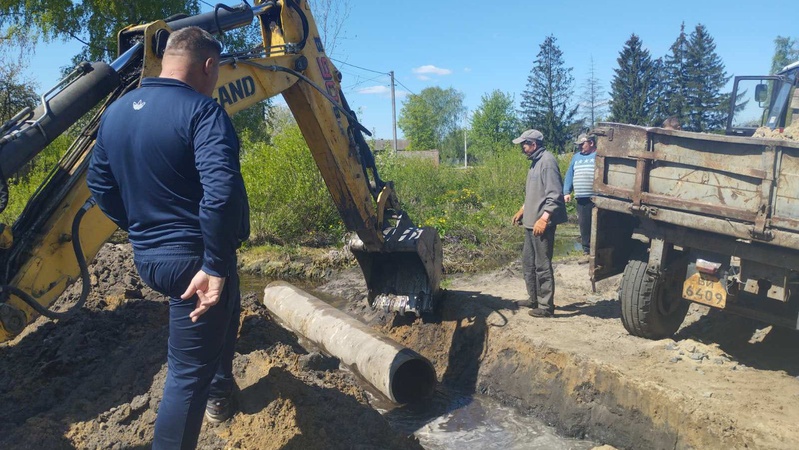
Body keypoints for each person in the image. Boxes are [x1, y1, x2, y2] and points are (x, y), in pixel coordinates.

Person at [87, 26, 249, 449]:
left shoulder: (116, 113)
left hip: (150, 258)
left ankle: (220, 388)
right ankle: (208, 395)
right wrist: (213, 265)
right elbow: (221, 192)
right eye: (216, 72)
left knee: (229, 299)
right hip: (194, 262)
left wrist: (142, 229)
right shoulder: (203, 112)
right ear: (208, 65)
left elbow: (99, 185)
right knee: (186, 377)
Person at [511, 129, 568, 318]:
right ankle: (534, 298)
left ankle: (546, 306)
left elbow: (555, 195)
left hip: (542, 223)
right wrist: (523, 209)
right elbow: (534, 193)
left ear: (533, 144)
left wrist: (544, 219)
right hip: (530, 222)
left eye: (524, 144)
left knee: (542, 265)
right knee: (528, 263)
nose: (522, 148)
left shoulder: (547, 162)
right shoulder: (535, 162)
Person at [563, 133, 597, 255]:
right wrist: (567, 192)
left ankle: (597, 248)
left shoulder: (598, 155)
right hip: (581, 198)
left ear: (591, 143)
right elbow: (569, 175)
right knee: (584, 224)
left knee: (597, 224)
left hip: (595, 197)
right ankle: (586, 250)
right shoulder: (576, 157)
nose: (580, 147)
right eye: (579, 145)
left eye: (582, 144)